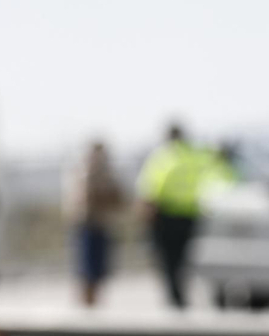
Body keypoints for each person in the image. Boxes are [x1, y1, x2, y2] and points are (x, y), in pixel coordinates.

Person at [137, 122, 219, 309]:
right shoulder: (195, 156)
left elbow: (149, 186)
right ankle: (179, 294)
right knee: (183, 258)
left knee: (168, 259)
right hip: (190, 214)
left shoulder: (163, 156)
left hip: (166, 214)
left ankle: (175, 296)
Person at [63, 139, 125, 307]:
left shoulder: (108, 174)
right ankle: (87, 306)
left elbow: (118, 199)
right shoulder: (83, 172)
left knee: (98, 272)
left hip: (101, 225)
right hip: (87, 226)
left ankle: (93, 306)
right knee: (87, 272)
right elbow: (85, 200)